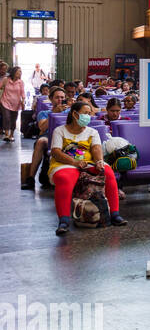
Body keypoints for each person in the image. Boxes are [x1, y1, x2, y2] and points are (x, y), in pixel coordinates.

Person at [48, 98, 128, 235]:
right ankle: (64, 220)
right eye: (85, 113)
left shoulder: (92, 132)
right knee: (64, 179)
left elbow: (96, 149)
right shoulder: (60, 131)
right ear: (75, 114)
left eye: (89, 113)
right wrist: (74, 162)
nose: (88, 116)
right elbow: (56, 152)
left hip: (88, 162)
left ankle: (115, 214)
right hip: (65, 163)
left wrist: (99, 161)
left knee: (108, 172)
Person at [20, 86, 67, 190]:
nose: (60, 100)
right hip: (49, 136)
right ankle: (31, 178)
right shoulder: (44, 113)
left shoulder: (70, 112)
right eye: (57, 97)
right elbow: (42, 127)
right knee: (41, 141)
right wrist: (54, 113)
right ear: (51, 99)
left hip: (66, 136)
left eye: (62, 98)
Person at [1, 66, 24, 142]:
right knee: (6, 117)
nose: (20, 73)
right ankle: (7, 134)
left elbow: (22, 93)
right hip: (5, 101)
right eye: (19, 71)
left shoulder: (20, 82)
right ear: (14, 72)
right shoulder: (6, 80)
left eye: (21, 72)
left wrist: (23, 101)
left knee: (13, 119)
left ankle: (11, 135)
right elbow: (0, 87)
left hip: (16, 103)